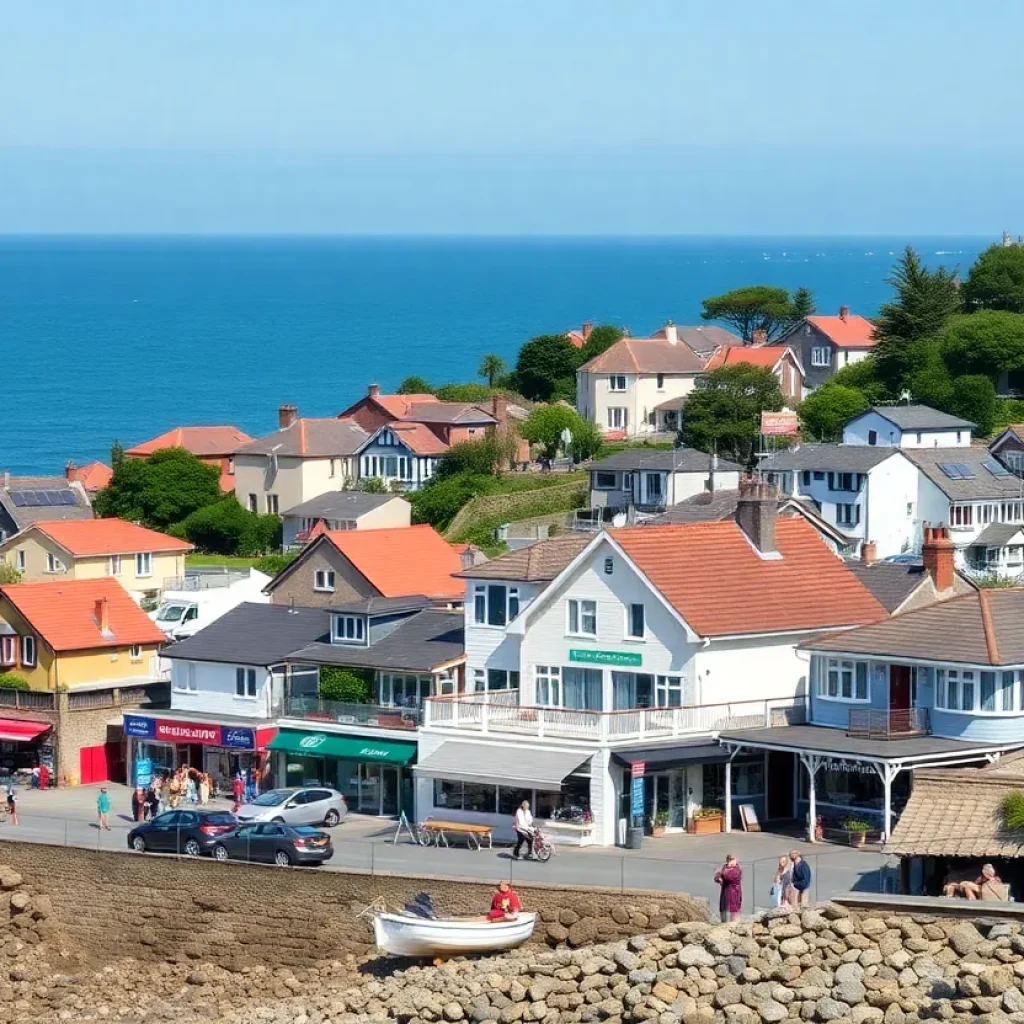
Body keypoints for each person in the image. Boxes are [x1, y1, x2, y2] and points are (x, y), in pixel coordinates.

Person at [943, 863, 1010, 901]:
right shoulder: (993, 879)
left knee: (966, 885)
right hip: (984, 893)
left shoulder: (995, 880)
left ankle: (972, 901)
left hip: (987, 895)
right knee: (964, 884)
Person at [714, 854, 743, 922]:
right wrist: (719, 878)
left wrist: (722, 874)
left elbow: (728, 876)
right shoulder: (724, 867)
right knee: (723, 909)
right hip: (725, 892)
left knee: (733, 910)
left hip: (734, 892)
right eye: (727, 859)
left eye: (731, 859)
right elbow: (717, 875)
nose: (729, 861)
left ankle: (734, 924)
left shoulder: (736, 868)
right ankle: (724, 924)